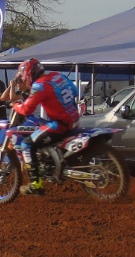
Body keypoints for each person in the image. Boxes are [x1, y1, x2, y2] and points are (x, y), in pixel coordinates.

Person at [5, 58, 80, 196]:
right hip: (74, 119)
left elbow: (26, 110)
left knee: (27, 145)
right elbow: (75, 91)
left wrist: (14, 105)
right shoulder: (57, 75)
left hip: (59, 124)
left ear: (28, 74)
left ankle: (36, 185)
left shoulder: (39, 86)